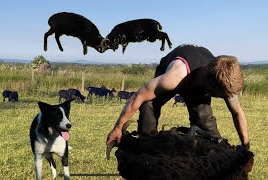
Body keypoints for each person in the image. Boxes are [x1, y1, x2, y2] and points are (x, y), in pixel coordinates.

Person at [106, 44, 250, 150]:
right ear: (210, 87)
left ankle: (209, 156)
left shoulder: (224, 77)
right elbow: (138, 96)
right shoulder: (173, 77)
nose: (225, 97)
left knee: (205, 123)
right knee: (148, 105)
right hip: (177, 70)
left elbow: (237, 112)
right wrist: (117, 128)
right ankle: (147, 150)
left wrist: (245, 147)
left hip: (198, 82)